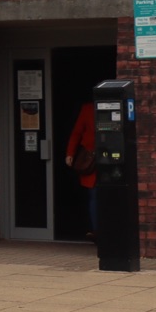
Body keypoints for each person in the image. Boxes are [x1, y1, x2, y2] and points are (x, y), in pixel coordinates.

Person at [65, 99, 98, 240]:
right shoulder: (88, 109)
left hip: (107, 158)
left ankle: (100, 230)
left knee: (97, 197)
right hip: (92, 159)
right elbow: (76, 133)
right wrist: (70, 153)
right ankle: (96, 230)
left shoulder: (88, 109)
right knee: (94, 197)